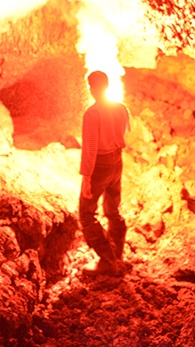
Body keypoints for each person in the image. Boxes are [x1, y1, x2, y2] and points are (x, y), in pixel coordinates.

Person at [79, 70, 130, 276]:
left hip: (100, 164)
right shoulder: (121, 108)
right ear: (108, 85)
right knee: (113, 209)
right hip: (117, 161)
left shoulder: (92, 114)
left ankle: (107, 261)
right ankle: (117, 256)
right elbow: (124, 133)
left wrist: (86, 177)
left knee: (86, 214)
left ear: (91, 88)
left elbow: (90, 148)